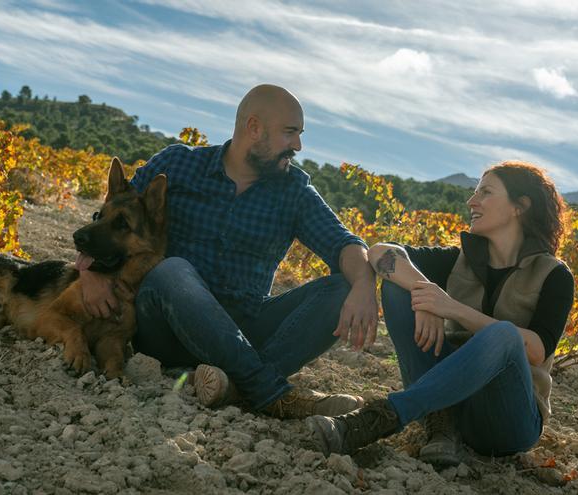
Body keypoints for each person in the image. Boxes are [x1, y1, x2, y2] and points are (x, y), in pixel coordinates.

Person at [77, 84, 379, 419]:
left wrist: (365, 285)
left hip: (245, 325)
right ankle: (269, 392)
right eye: (290, 133)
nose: (298, 145)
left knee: (341, 287)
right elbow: (110, 218)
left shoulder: (294, 192)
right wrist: (87, 272)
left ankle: (235, 387)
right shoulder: (178, 164)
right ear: (254, 128)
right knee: (172, 270)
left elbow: (344, 243)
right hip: (166, 322)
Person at [307, 161, 574, 465]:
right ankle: (442, 427)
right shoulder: (458, 260)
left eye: (485, 193)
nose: (471, 202)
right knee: (399, 288)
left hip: (507, 421)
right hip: (449, 404)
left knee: (504, 336)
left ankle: (378, 419)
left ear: (520, 206)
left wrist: (450, 307)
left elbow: (537, 350)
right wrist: (426, 293)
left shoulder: (554, 275)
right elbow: (381, 252)